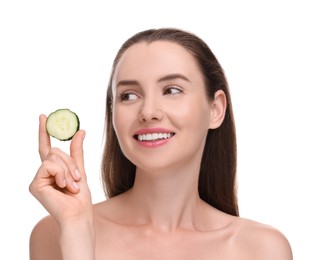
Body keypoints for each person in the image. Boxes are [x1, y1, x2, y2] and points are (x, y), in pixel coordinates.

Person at [29, 28, 293, 259]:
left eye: (172, 90)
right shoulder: (56, 231)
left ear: (215, 109)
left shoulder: (262, 249)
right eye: (128, 95)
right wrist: (77, 233)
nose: (148, 111)